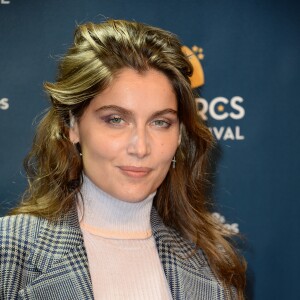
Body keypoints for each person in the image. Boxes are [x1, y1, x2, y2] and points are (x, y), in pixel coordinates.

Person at [0, 19, 246, 299]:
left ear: (179, 134)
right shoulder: (9, 252)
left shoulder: (210, 264)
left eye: (160, 122)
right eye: (116, 120)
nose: (140, 147)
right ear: (73, 125)